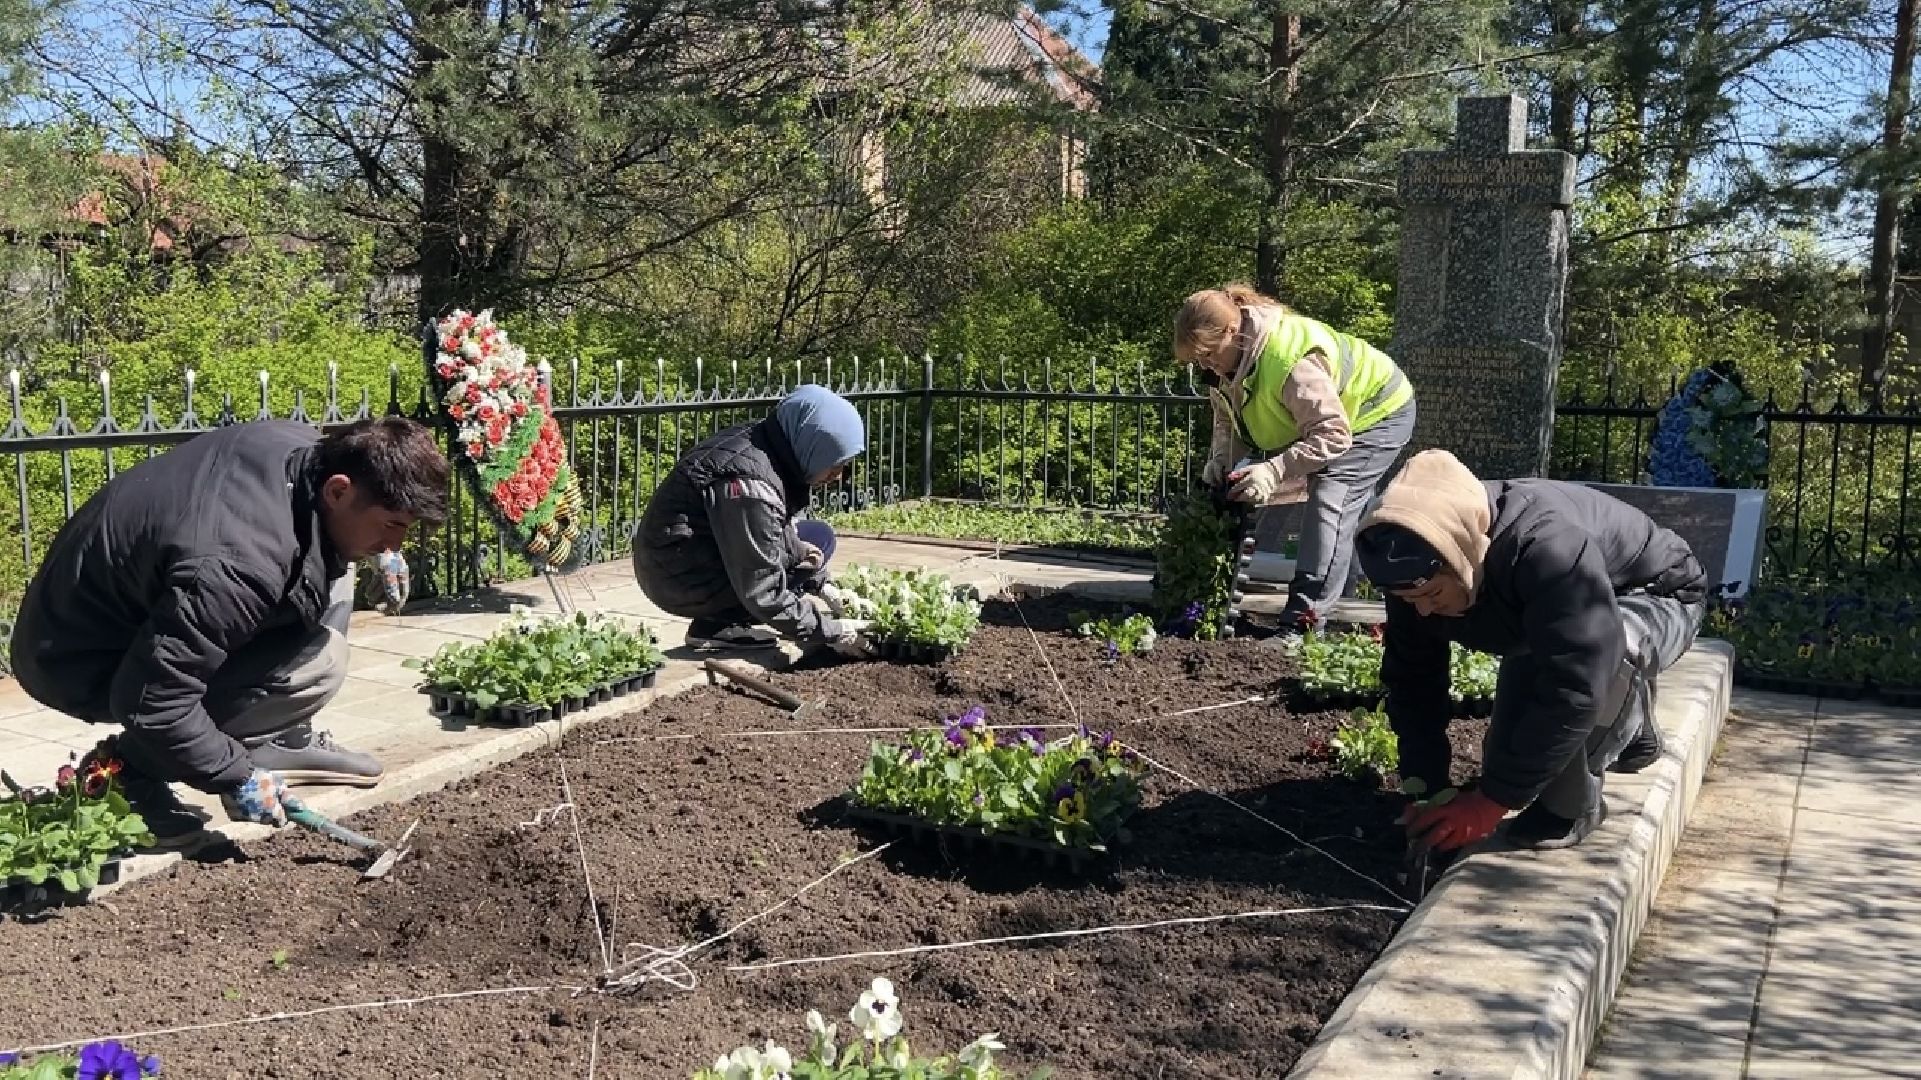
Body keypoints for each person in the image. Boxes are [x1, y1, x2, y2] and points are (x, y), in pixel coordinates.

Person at [10, 416, 450, 845]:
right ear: (338, 490)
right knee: (318, 666)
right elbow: (154, 700)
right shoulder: (237, 566)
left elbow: (326, 540)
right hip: (74, 659)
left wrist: (380, 549)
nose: (397, 544)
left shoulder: (304, 452)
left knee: (335, 575)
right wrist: (232, 775)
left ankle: (281, 737)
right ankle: (126, 771)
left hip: (119, 612)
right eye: (393, 526)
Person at [1353, 449, 1708, 853]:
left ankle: (1572, 809)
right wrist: (1426, 784)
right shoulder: (1415, 564)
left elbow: (1578, 675)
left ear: (1463, 555)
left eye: (1433, 594)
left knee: (1606, 657)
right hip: (1550, 620)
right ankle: (1632, 728)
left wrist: (1492, 802)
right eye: (1408, 598)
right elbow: (1413, 680)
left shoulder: (1545, 546)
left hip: (1658, 595)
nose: (1423, 609)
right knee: (1504, 753)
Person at [1174, 284, 1417, 633]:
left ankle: (1303, 625)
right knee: (1340, 514)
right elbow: (1227, 417)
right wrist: (1221, 461)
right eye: (1197, 358)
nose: (1205, 363)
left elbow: (1333, 434)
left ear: (1232, 331)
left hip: (1376, 412)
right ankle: (1344, 610)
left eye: (1208, 353)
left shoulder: (1290, 362)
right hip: (1329, 422)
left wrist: (1274, 471)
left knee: (1331, 497)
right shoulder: (1225, 363)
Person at [632, 384, 871, 655]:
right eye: (836, 463)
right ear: (813, 446)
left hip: (685, 552)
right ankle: (716, 626)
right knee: (775, 575)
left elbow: (772, 525)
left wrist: (820, 582)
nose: (838, 475)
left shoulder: (769, 441)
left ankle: (724, 617)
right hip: (677, 577)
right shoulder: (749, 484)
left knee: (817, 539)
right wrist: (832, 632)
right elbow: (763, 587)